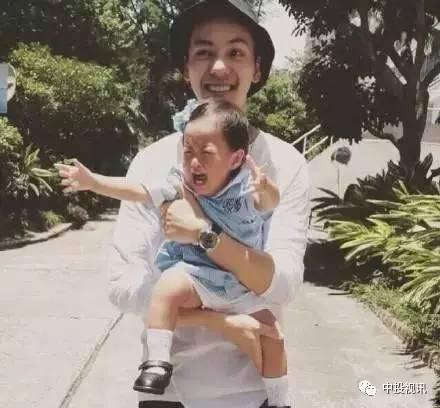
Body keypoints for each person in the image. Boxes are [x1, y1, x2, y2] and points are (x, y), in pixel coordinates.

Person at [108, 1, 310, 407]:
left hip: (252, 392)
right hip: (168, 393)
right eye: (204, 52)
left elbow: (282, 283)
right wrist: (220, 322)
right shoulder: (152, 161)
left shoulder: (284, 164)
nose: (219, 67)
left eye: (236, 52)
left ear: (257, 69)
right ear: (186, 68)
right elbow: (122, 284)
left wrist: (204, 233)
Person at [56, 99, 289, 405]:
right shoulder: (178, 185)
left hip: (239, 285)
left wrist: (266, 188)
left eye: (206, 153)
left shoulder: (247, 188)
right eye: (188, 151)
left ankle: (279, 400)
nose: (194, 162)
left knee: (273, 337)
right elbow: (137, 190)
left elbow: (270, 204)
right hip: (196, 276)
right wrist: (93, 182)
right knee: (166, 288)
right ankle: (157, 362)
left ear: (236, 159)